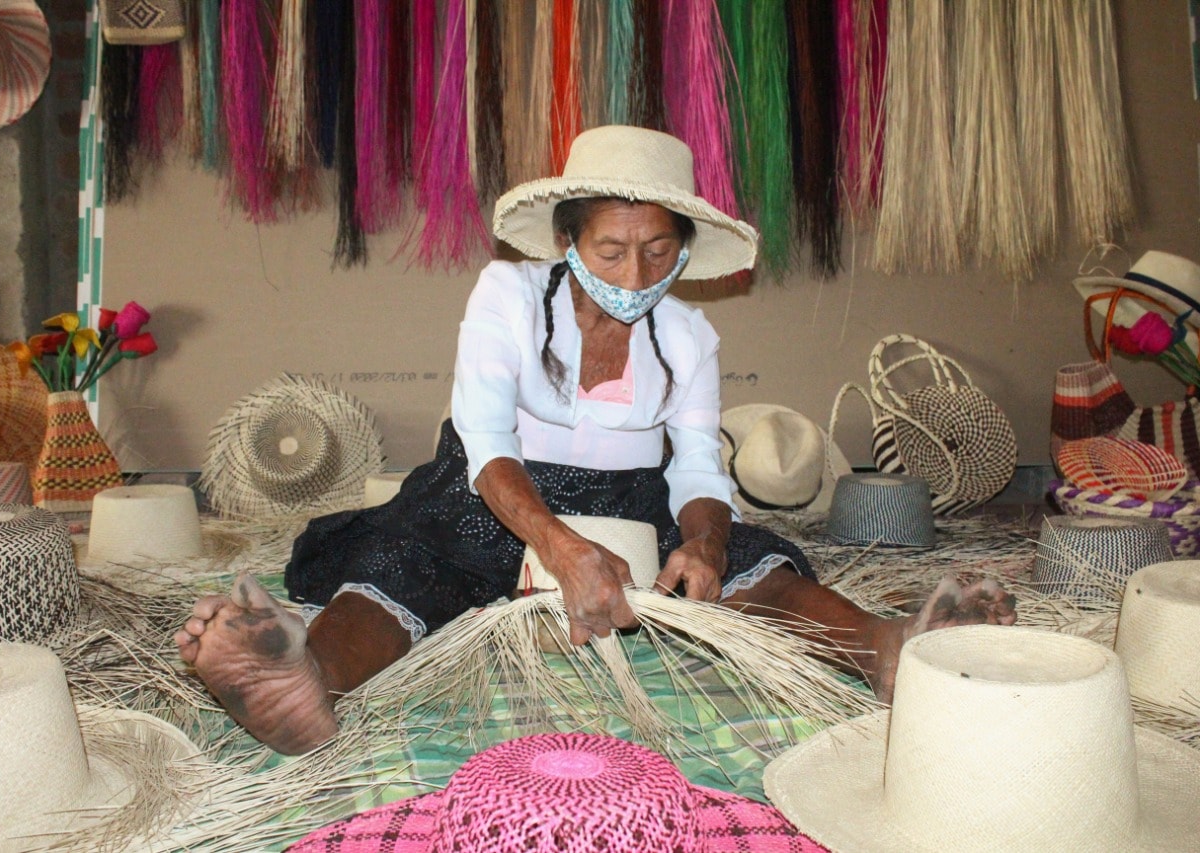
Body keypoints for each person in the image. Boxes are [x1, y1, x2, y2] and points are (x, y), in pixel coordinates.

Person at [176, 126, 1016, 756]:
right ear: (567, 241)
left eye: (657, 251)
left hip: (631, 499)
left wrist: (705, 541)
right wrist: (554, 543)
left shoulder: (688, 336)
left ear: (684, 250)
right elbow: (484, 439)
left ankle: (882, 645)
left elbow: (693, 465)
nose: (633, 275)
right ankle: (303, 678)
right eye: (610, 250)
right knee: (404, 568)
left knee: (757, 570)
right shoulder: (505, 295)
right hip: (491, 485)